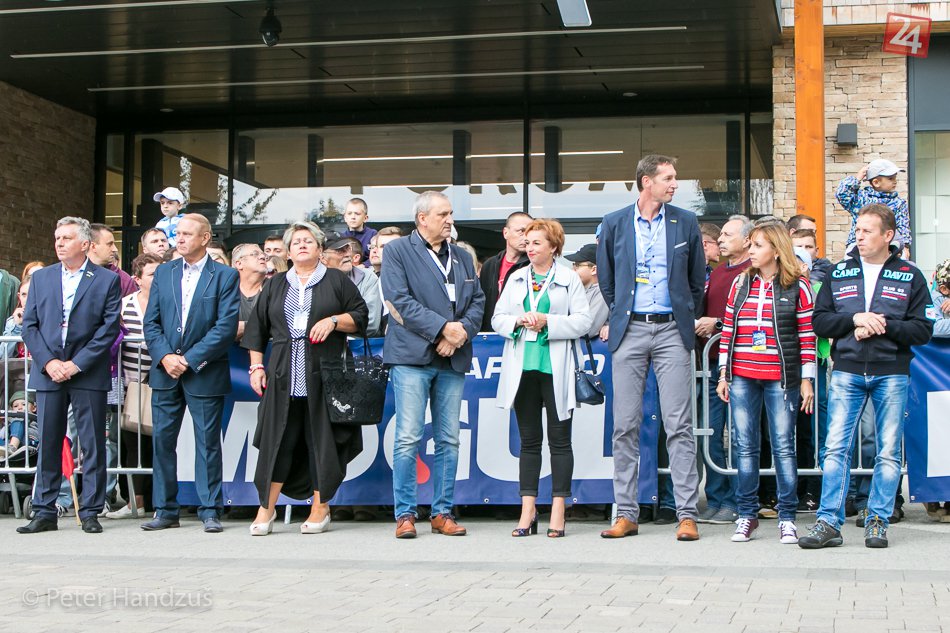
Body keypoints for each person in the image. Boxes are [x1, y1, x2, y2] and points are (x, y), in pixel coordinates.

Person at [799, 204, 933, 549]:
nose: (859, 236)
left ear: (888, 235)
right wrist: (855, 320)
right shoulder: (839, 271)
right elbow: (819, 321)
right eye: (857, 230)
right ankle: (828, 522)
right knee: (835, 449)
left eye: (867, 231)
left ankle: (877, 521)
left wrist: (882, 325)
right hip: (847, 370)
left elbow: (922, 329)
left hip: (892, 373)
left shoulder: (910, 275)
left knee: (888, 452)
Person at [597, 154, 705, 541]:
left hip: (672, 330)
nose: (675, 184)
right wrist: (621, 315)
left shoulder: (685, 221)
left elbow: (696, 281)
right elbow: (607, 279)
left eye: (675, 177)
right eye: (668, 178)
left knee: (679, 425)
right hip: (630, 331)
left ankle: (686, 514)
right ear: (646, 182)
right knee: (624, 425)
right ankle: (626, 513)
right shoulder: (614, 223)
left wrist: (684, 317)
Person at [242, 221, 369, 536]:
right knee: (278, 441)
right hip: (282, 375)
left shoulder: (336, 280)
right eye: (296, 241)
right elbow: (257, 329)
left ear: (320, 249)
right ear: (287, 252)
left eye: (308, 240)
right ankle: (266, 508)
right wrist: (256, 367)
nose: (301, 245)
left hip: (326, 375)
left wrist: (334, 320)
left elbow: (361, 316)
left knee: (321, 441)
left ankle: (320, 508)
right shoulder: (275, 284)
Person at [381, 191, 485, 539]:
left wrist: (459, 333)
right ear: (422, 218)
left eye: (450, 213)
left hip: (452, 357)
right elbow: (399, 300)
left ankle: (442, 513)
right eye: (443, 214)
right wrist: (442, 329)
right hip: (412, 357)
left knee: (449, 439)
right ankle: (405, 514)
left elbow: (477, 301)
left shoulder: (462, 256)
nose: (449, 220)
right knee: (408, 438)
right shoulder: (397, 251)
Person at [18, 217, 122, 534]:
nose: (59, 243)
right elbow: (30, 326)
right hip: (48, 372)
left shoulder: (105, 280)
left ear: (85, 244)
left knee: (92, 444)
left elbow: (108, 329)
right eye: (57, 237)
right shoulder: (42, 278)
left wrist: (76, 364)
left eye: (66, 238)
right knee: (49, 441)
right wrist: (49, 362)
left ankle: (90, 511)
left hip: (86, 372)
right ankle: (44, 511)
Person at [716, 221, 816, 544]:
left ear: (776, 249)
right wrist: (723, 373)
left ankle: (787, 516)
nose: (751, 251)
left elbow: (807, 337)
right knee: (745, 446)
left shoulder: (798, 287)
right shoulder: (741, 282)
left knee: (783, 446)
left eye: (758, 245)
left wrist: (807, 379)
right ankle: (747, 515)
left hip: (781, 377)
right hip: (742, 375)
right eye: (751, 245)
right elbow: (728, 330)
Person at [141, 213, 240, 533]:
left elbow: (225, 327)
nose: (179, 239)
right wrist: (166, 356)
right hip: (166, 371)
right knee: (162, 442)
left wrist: (189, 359)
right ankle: (165, 510)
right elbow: (151, 322)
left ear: (205, 238)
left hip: (204, 371)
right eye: (178, 234)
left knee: (207, 443)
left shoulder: (224, 275)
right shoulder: (164, 272)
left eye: (186, 234)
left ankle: (210, 510)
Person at [492, 219, 591, 537]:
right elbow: (497, 318)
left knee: (560, 442)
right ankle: (528, 510)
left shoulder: (568, 278)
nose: (529, 247)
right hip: (523, 368)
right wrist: (518, 321)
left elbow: (584, 321)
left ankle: (559, 510)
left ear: (553, 247)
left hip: (556, 367)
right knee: (529, 442)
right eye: (528, 242)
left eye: (537, 242)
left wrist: (549, 321)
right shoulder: (517, 277)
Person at [693, 214, 754, 525]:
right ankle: (717, 499)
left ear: (747, 240)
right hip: (713, 364)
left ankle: (738, 501)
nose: (721, 239)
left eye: (728, 235)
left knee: (741, 437)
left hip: (741, 366)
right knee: (712, 434)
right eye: (721, 236)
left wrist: (717, 324)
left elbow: (753, 315)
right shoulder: (718, 273)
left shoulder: (753, 272)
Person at [107, 253, 163, 520]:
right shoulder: (124, 305)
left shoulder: (168, 303)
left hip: (162, 380)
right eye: (152, 274)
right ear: (138, 279)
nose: (158, 278)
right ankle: (135, 501)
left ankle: (159, 500)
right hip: (130, 385)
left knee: (160, 443)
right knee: (132, 443)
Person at [836, 159, 911, 250]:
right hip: (858, 246)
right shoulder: (861, 198)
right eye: (890, 178)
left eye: (895, 178)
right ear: (876, 182)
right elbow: (842, 194)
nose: (895, 181)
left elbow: (903, 226)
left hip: (886, 248)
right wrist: (857, 179)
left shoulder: (899, 203)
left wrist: (905, 246)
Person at [479, 211, 532, 332]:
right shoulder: (490, 265)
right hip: (490, 333)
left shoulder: (533, 265)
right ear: (505, 233)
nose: (526, 237)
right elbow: (482, 302)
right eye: (521, 231)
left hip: (520, 331)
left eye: (529, 232)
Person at [322, 235, 383, 337]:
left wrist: (332, 325)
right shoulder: (314, 281)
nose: (347, 254)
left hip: (356, 344)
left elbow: (370, 324)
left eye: (348, 248)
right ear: (323, 258)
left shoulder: (367, 278)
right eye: (340, 251)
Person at [564, 243, 609, 340]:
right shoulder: (577, 289)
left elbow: (587, 329)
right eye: (573, 265)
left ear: (593, 269)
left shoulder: (602, 293)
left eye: (577, 265)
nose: (572, 270)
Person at [89, 223, 139, 297]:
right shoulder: (73, 274)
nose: (115, 249)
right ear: (93, 246)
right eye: (109, 244)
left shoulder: (123, 279)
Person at [231, 243, 268, 341]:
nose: (262, 257)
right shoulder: (228, 291)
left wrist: (245, 326)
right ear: (239, 264)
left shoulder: (274, 288)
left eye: (264, 255)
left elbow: (279, 323)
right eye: (255, 254)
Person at [0, 390, 38, 460]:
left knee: (19, 419)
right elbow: (2, 436)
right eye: (15, 406)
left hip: (28, 440)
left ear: (34, 408)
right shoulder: (11, 424)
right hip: (8, 444)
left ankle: (12, 447)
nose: (20, 407)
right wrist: (5, 425)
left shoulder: (36, 421)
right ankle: (5, 453)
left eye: (24, 404)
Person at [342, 198, 378, 263]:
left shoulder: (373, 234)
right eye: (349, 213)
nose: (353, 217)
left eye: (357, 214)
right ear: (345, 218)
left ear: (365, 218)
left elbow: (378, 256)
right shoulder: (340, 237)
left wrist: (364, 265)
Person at [2, 277, 31, 359]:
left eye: (32, 294)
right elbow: (3, 355)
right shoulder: (13, 321)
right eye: (24, 295)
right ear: (19, 296)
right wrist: (17, 327)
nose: (27, 299)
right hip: (18, 367)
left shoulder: (49, 320)